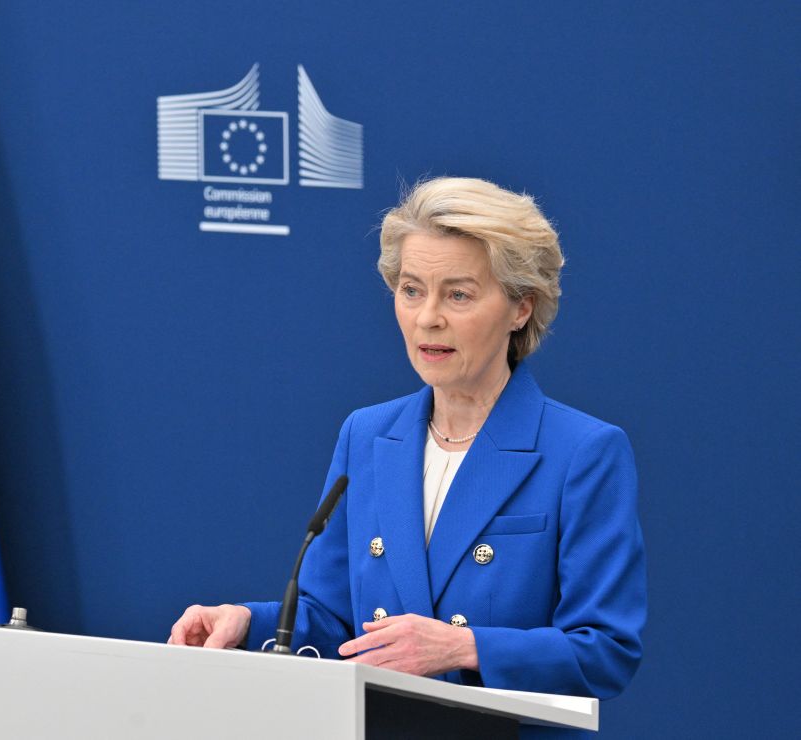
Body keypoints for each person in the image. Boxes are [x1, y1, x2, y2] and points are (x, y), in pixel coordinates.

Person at [169, 177, 647, 729]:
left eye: (459, 294)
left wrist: (463, 648)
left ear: (521, 307)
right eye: (412, 289)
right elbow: (335, 621)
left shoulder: (583, 452)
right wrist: (246, 623)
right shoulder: (367, 435)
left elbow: (606, 651)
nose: (428, 318)